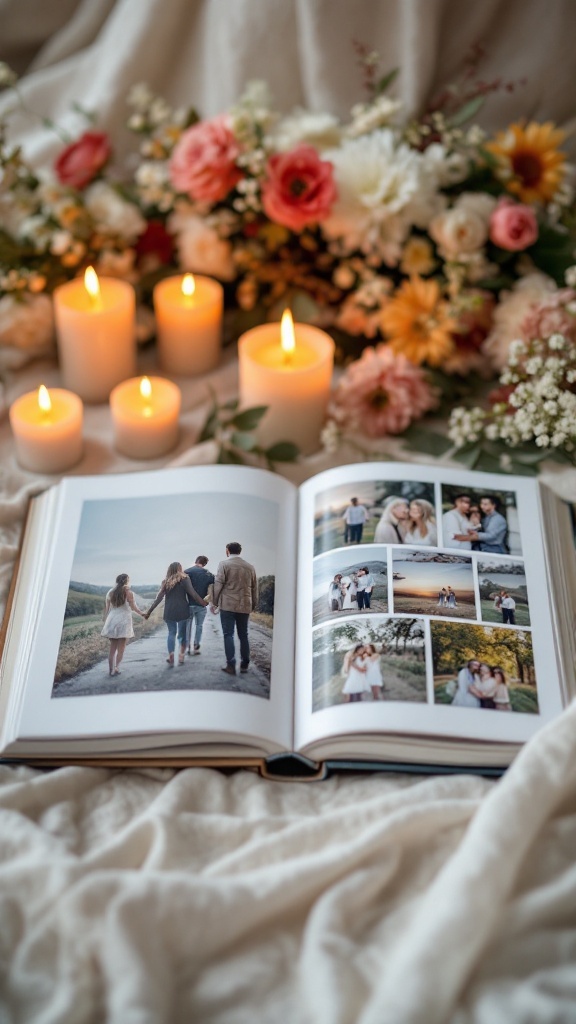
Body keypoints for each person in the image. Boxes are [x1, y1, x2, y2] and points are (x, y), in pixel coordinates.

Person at [144, 562, 205, 666]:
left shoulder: (165, 582)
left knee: (172, 633)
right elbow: (193, 593)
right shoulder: (185, 579)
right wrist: (202, 603)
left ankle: (171, 653)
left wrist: (149, 612)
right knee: (182, 634)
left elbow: (159, 598)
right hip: (182, 610)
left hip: (169, 611)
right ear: (180, 569)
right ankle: (181, 655)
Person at [212, 542, 258, 676]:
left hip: (228, 605)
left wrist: (215, 602)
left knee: (228, 634)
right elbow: (254, 587)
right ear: (240, 551)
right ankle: (245, 664)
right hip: (245, 604)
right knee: (243, 634)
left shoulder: (224, 564)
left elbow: (218, 584)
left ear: (227, 551)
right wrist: (253, 604)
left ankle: (231, 665)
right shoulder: (250, 567)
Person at [101, 573, 146, 677]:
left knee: (112, 648)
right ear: (127, 581)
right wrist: (142, 614)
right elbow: (134, 607)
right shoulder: (129, 592)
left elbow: (107, 609)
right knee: (121, 648)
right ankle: (116, 667)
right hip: (124, 621)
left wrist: (105, 621)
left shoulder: (110, 592)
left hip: (112, 620)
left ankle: (111, 670)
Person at [184, 555, 215, 655]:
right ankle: (196, 646)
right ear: (205, 564)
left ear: (195, 561)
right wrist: (212, 604)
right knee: (199, 625)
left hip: (188, 604)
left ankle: (188, 646)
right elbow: (212, 590)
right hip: (202, 605)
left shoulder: (186, 572)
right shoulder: (209, 574)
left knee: (188, 625)